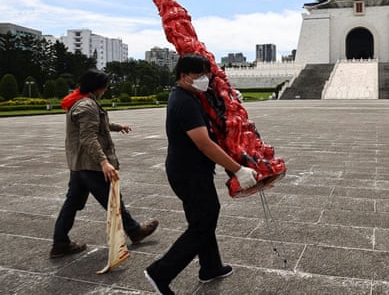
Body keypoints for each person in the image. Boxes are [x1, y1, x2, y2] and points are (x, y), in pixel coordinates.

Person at [144, 54, 257, 295]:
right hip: (188, 173)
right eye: (200, 75)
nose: (205, 80)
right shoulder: (184, 102)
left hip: (190, 170)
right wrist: (238, 170)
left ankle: (210, 267)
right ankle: (161, 272)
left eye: (207, 75)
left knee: (202, 218)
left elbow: (213, 103)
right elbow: (204, 143)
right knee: (203, 222)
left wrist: (230, 100)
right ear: (184, 76)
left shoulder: (191, 94)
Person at [50, 68, 159, 258]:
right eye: (105, 86)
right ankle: (134, 230)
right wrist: (103, 162)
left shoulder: (80, 102)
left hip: (79, 164)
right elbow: (88, 137)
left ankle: (60, 243)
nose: (106, 89)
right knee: (113, 200)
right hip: (90, 165)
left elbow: (97, 125)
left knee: (72, 203)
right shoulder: (87, 106)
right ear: (99, 87)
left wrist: (118, 127)